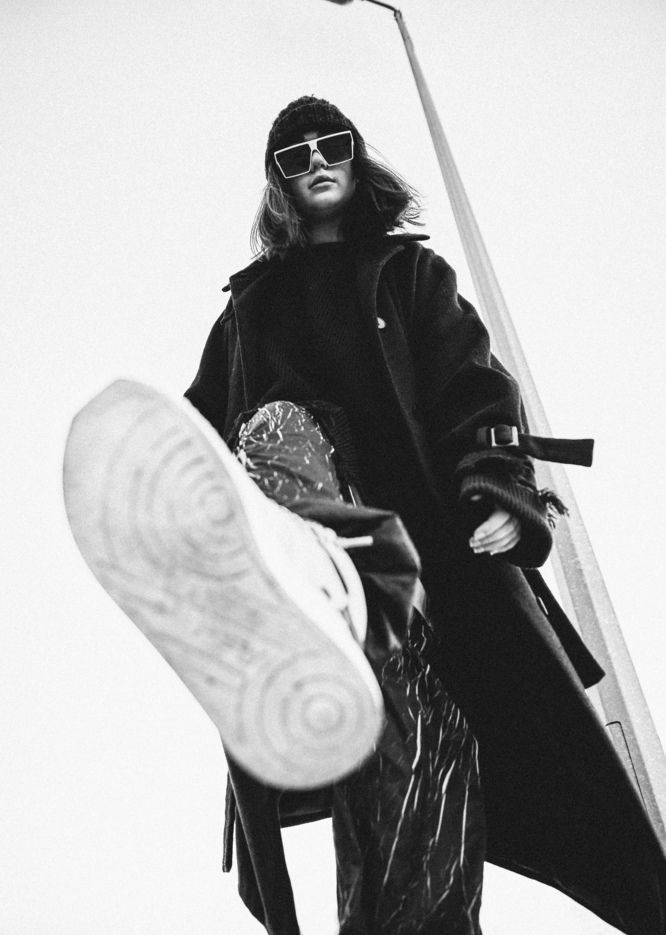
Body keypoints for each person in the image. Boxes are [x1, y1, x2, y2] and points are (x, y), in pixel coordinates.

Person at [65, 96, 666, 935]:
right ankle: (312, 585)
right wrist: (157, 506)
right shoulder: (250, 310)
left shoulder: (411, 275)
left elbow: (473, 388)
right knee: (276, 425)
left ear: (356, 158)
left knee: (429, 762)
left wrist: (498, 488)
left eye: (332, 145)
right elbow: (200, 433)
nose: (316, 161)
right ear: (278, 183)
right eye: (295, 155)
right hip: (311, 513)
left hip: (428, 576)